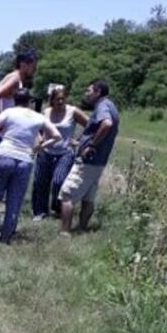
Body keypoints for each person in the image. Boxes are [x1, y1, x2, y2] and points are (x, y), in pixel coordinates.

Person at [0, 88, 61, 244]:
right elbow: (57, 136)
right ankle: (5, 238)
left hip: (4, 155)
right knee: (14, 202)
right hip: (25, 159)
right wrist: (40, 147)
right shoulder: (38, 117)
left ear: (14, 99)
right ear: (29, 101)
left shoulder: (8, 113)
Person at [0, 48, 37, 224]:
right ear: (23, 64)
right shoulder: (15, 79)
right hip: (0, 135)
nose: (34, 69)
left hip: (0, 133)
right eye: (32, 65)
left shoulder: (15, 79)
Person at [59, 79, 119, 235]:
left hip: (89, 159)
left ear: (98, 92)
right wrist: (80, 142)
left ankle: (65, 232)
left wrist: (91, 145)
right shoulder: (110, 105)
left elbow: (107, 124)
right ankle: (82, 228)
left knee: (67, 194)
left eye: (89, 91)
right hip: (99, 161)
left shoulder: (103, 106)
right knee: (88, 197)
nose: (87, 94)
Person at [32, 84, 88, 220]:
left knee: (59, 181)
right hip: (46, 152)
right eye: (57, 99)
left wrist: (79, 140)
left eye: (63, 98)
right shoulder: (46, 112)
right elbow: (38, 128)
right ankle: (40, 211)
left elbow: (90, 125)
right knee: (40, 182)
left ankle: (57, 208)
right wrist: (39, 138)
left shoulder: (72, 111)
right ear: (52, 100)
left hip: (64, 152)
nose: (61, 101)